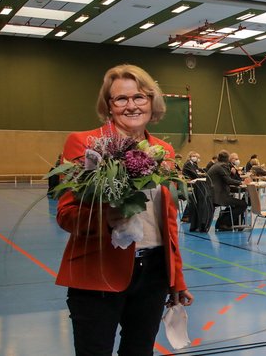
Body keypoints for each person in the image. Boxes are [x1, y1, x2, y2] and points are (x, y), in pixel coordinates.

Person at [55, 64, 193, 355]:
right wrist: (105, 219)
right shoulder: (84, 144)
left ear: (152, 101)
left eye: (139, 97)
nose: (132, 105)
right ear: (109, 106)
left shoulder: (163, 151)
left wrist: (175, 279)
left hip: (154, 273)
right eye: (121, 99)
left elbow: (167, 223)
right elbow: (66, 215)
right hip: (99, 270)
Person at [207, 150, 249, 231]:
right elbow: (228, 180)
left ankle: (224, 222)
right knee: (243, 204)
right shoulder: (222, 166)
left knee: (236, 204)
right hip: (219, 196)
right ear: (228, 159)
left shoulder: (217, 165)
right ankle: (225, 223)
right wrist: (242, 182)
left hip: (213, 194)